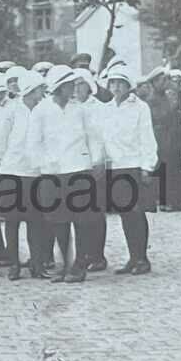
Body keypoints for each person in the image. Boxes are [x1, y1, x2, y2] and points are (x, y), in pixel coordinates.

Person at [31, 67, 103, 282]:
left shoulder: (80, 110)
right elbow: (33, 143)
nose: (73, 88)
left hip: (79, 170)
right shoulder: (41, 111)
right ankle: (65, 264)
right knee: (58, 221)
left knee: (82, 221)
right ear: (59, 87)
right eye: (69, 84)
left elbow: (94, 137)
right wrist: (45, 164)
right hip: (52, 174)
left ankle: (80, 265)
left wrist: (96, 162)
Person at [100, 66, 159, 274]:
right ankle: (133, 258)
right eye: (112, 83)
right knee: (125, 214)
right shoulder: (106, 109)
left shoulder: (140, 107)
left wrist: (147, 166)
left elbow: (147, 138)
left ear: (128, 85)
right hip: (116, 168)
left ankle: (142, 258)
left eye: (120, 83)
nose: (116, 87)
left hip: (134, 165)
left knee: (137, 212)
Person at [0, 71, 49, 280]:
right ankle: (14, 264)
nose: (42, 93)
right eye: (39, 90)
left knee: (36, 221)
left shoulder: (45, 110)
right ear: (31, 91)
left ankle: (37, 263)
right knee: (12, 220)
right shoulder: (12, 111)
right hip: (11, 171)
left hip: (35, 173)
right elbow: (0, 142)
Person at [74, 69, 110, 271]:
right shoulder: (70, 108)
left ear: (89, 86)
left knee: (96, 212)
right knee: (79, 212)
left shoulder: (100, 108)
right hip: (75, 166)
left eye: (81, 84)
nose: (77, 88)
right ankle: (83, 253)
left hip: (95, 165)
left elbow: (103, 138)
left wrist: (100, 162)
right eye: (75, 85)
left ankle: (98, 255)